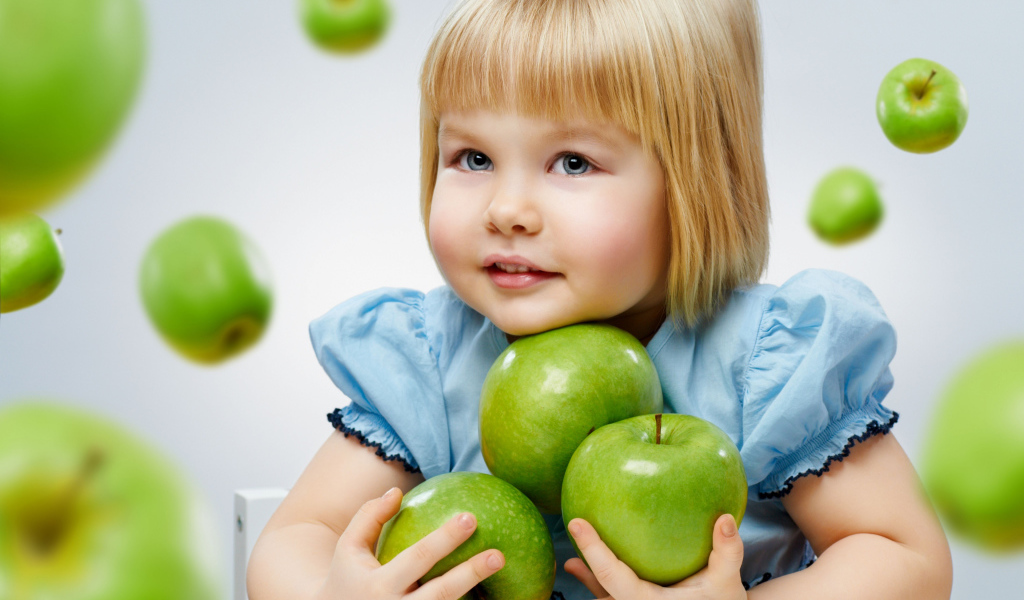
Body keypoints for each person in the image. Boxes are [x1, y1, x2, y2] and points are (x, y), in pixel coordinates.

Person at [247, 0, 953, 598]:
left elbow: (905, 559)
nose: (507, 209)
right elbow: (294, 538)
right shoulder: (429, 358)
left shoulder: (768, 362)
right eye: (473, 158)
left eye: (573, 162)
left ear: (695, 184)